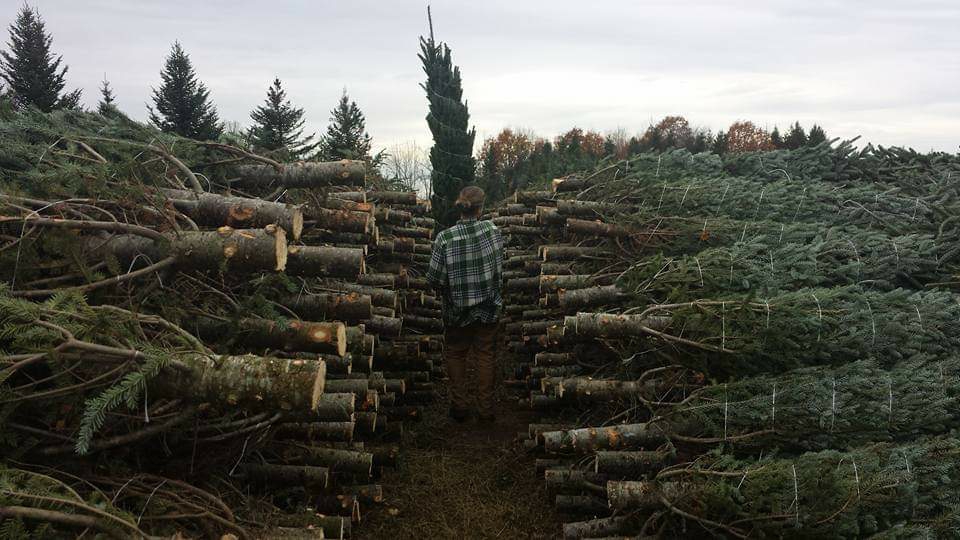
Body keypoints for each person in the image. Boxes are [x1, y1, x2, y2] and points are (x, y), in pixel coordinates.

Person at [426, 186, 504, 423]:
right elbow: (498, 268)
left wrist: (449, 292)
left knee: (456, 354)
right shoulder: (492, 230)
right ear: (481, 208)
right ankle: (486, 410)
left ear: (460, 207)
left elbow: (434, 279)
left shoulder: (445, 238)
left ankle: (460, 407)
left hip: (457, 311)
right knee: (484, 355)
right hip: (488, 307)